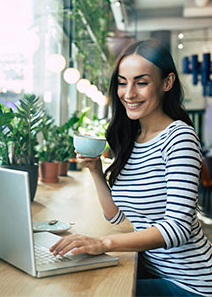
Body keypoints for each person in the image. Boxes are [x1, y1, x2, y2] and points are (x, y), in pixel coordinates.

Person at [50, 39, 212, 296]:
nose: (129, 93)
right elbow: (116, 216)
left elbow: (178, 228)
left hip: (190, 283)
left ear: (167, 83)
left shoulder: (179, 137)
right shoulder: (134, 138)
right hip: (155, 270)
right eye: (122, 82)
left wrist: (104, 243)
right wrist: (94, 170)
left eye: (142, 82)